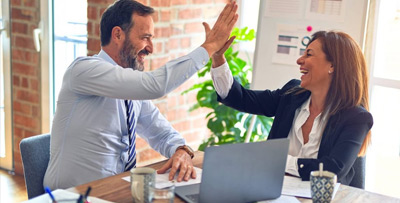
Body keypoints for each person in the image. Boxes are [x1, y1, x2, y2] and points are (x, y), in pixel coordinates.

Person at [43, 0, 238, 189]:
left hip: (115, 190)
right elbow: (155, 86)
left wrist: (181, 150)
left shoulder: (130, 88)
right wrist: (209, 47)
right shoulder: (84, 70)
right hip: (72, 196)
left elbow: (160, 131)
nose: (151, 48)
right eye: (145, 37)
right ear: (118, 35)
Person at [210, 30, 373, 185]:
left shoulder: (356, 118)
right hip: (274, 192)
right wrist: (218, 58)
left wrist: (277, 160)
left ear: (333, 66)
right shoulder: (292, 95)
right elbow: (240, 98)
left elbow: (332, 170)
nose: (299, 60)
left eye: (309, 54)